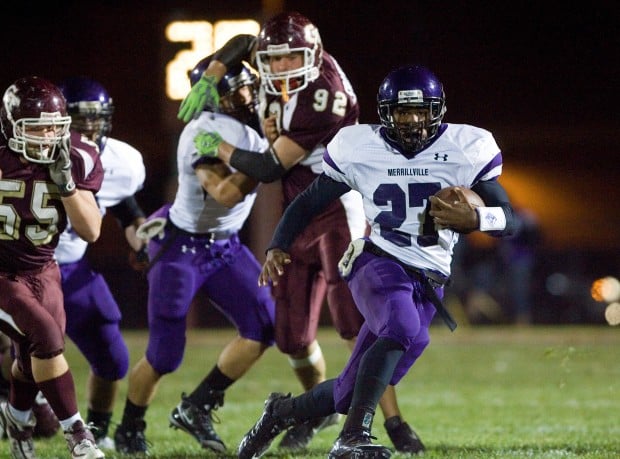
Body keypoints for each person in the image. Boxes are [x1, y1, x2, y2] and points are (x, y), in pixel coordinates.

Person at [233, 64, 519, 459]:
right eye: (403, 112)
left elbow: (509, 217)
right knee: (401, 325)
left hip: (430, 277)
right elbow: (309, 200)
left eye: (421, 111)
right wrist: (278, 245)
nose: (413, 120)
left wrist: (477, 218)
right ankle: (352, 437)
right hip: (377, 261)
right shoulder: (358, 145)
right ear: (386, 112)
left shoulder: (465, 148)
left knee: (349, 389)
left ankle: (279, 413)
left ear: (438, 110)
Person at [178, 11, 423, 453]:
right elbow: (241, 41)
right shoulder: (276, 61)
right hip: (298, 208)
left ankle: (393, 424)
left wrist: (217, 147)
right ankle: (316, 412)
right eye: (273, 61)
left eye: (291, 60)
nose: (279, 69)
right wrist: (211, 75)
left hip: (336, 208)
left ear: (311, 55)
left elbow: (271, 166)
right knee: (291, 335)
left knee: (356, 327)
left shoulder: (325, 94)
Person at [113, 55, 276, 456]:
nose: (248, 92)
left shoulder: (254, 123)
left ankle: (198, 405)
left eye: (248, 84)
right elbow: (224, 192)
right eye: (239, 86)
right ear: (217, 97)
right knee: (165, 356)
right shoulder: (204, 131)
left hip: (225, 245)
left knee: (266, 324)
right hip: (182, 249)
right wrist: (273, 160)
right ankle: (129, 426)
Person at [0, 76, 105, 458]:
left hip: (43, 268)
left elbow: (91, 230)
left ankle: (16, 417)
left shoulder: (76, 156)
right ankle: (78, 436)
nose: (46, 137)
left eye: (53, 127)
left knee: (34, 357)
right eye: (36, 128)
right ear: (11, 126)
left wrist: (68, 187)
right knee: (45, 336)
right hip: (1, 270)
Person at [55, 76, 148, 449]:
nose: (90, 127)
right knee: (26, 360)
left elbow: (128, 210)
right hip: (23, 267)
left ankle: (97, 429)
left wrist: (143, 238)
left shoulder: (120, 161)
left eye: (97, 118)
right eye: (80, 119)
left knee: (112, 357)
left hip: (72, 268)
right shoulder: (28, 153)